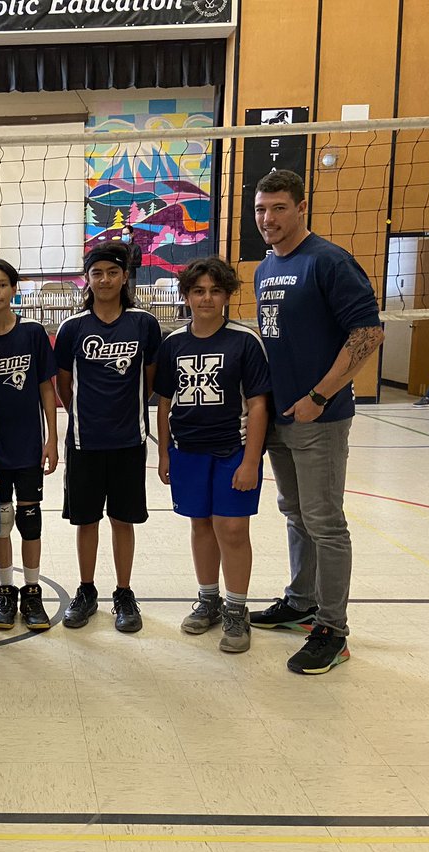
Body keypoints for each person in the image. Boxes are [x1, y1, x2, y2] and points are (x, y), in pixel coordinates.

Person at [251, 169, 384, 675]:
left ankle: (332, 629)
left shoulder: (329, 261)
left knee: (326, 522)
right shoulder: (267, 268)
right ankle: (301, 601)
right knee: (295, 512)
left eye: (279, 208)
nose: (269, 219)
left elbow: (368, 335)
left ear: (301, 207)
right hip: (281, 414)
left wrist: (319, 395)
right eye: (262, 210)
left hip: (319, 415)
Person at [154, 257, 270, 653]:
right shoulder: (173, 344)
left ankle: (237, 611)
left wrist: (251, 461)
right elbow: (164, 403)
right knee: (200, 525)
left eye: (215, 290)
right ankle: (208, 600)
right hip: (187, 451)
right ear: (186, 295)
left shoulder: (243, 340)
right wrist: (164, 452)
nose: (206, 298)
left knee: (233, 530)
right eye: (198, 290)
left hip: (232, 450)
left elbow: (257, 405)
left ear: (227, 295)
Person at [55, 241, 161, 634]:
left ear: (124, 276)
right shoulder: (73, 328)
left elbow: (150, 379)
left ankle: (123, 592)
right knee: (86, 521)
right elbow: (64, 385)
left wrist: (126, 413)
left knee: (122, 520)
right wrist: (87, 415)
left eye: (112, 272)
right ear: (88, 278)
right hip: (84, 442)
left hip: (129, 442)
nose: (104, 279)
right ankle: (86, 590)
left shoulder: (144, 324)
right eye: (97, 273)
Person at [0, 258, 58, 631]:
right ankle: (6, 591)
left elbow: (45, 388)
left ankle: (32, 590)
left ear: (13, 289)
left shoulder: (32, 333)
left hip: (28, 444)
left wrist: (53, 438)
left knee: (30, 518)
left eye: (2, 284)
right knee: (0, 520)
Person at [119, 226, 144, 300]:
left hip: (131, 277)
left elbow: (138, 263)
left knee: (130, 299)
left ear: (132, 234)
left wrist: (128, 260)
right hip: (119, 277)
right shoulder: (119, 247)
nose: (124, 236)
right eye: (123, 234)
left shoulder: (136, 248)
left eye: (126, 234)